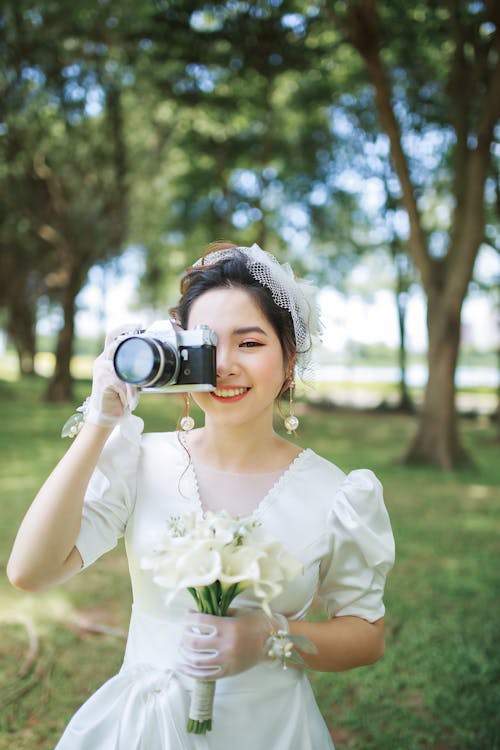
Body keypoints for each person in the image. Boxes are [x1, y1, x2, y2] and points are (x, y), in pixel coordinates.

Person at [7, 242, 395, 749]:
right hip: (145, 730)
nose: (225, 365)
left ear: (289, 358)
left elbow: (366, 636)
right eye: (207, 344)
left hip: (272, 733)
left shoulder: (337, 493)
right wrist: (100, 422)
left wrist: (268, 639)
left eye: (250, 343)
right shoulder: (142, 460)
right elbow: (30, 572)